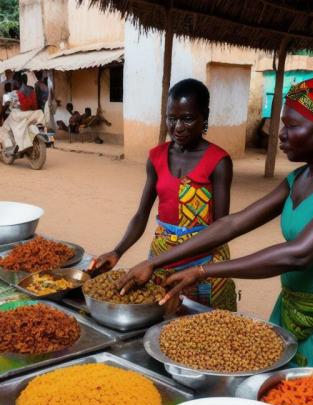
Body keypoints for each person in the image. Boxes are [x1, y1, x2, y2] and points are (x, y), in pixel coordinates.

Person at [118, 78, 313, 374]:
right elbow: (231, 224)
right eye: (282, 125)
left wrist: (203, 270)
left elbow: (298, 254)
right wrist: (154, 263)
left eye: (292, 126)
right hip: (291, 310)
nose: (280, 135)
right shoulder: (297, 180)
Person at [89, 78, 237, 311]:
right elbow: (141, 214)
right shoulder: (156, 157)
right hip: (159, 263)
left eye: (187, 118)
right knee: (161, 324)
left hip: (202, 267)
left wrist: (157, 263)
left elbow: (219, 231)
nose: (177, 127)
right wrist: (118, 251)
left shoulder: (219, 162)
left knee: (205, 332)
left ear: (204, 116)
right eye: (171, 118)